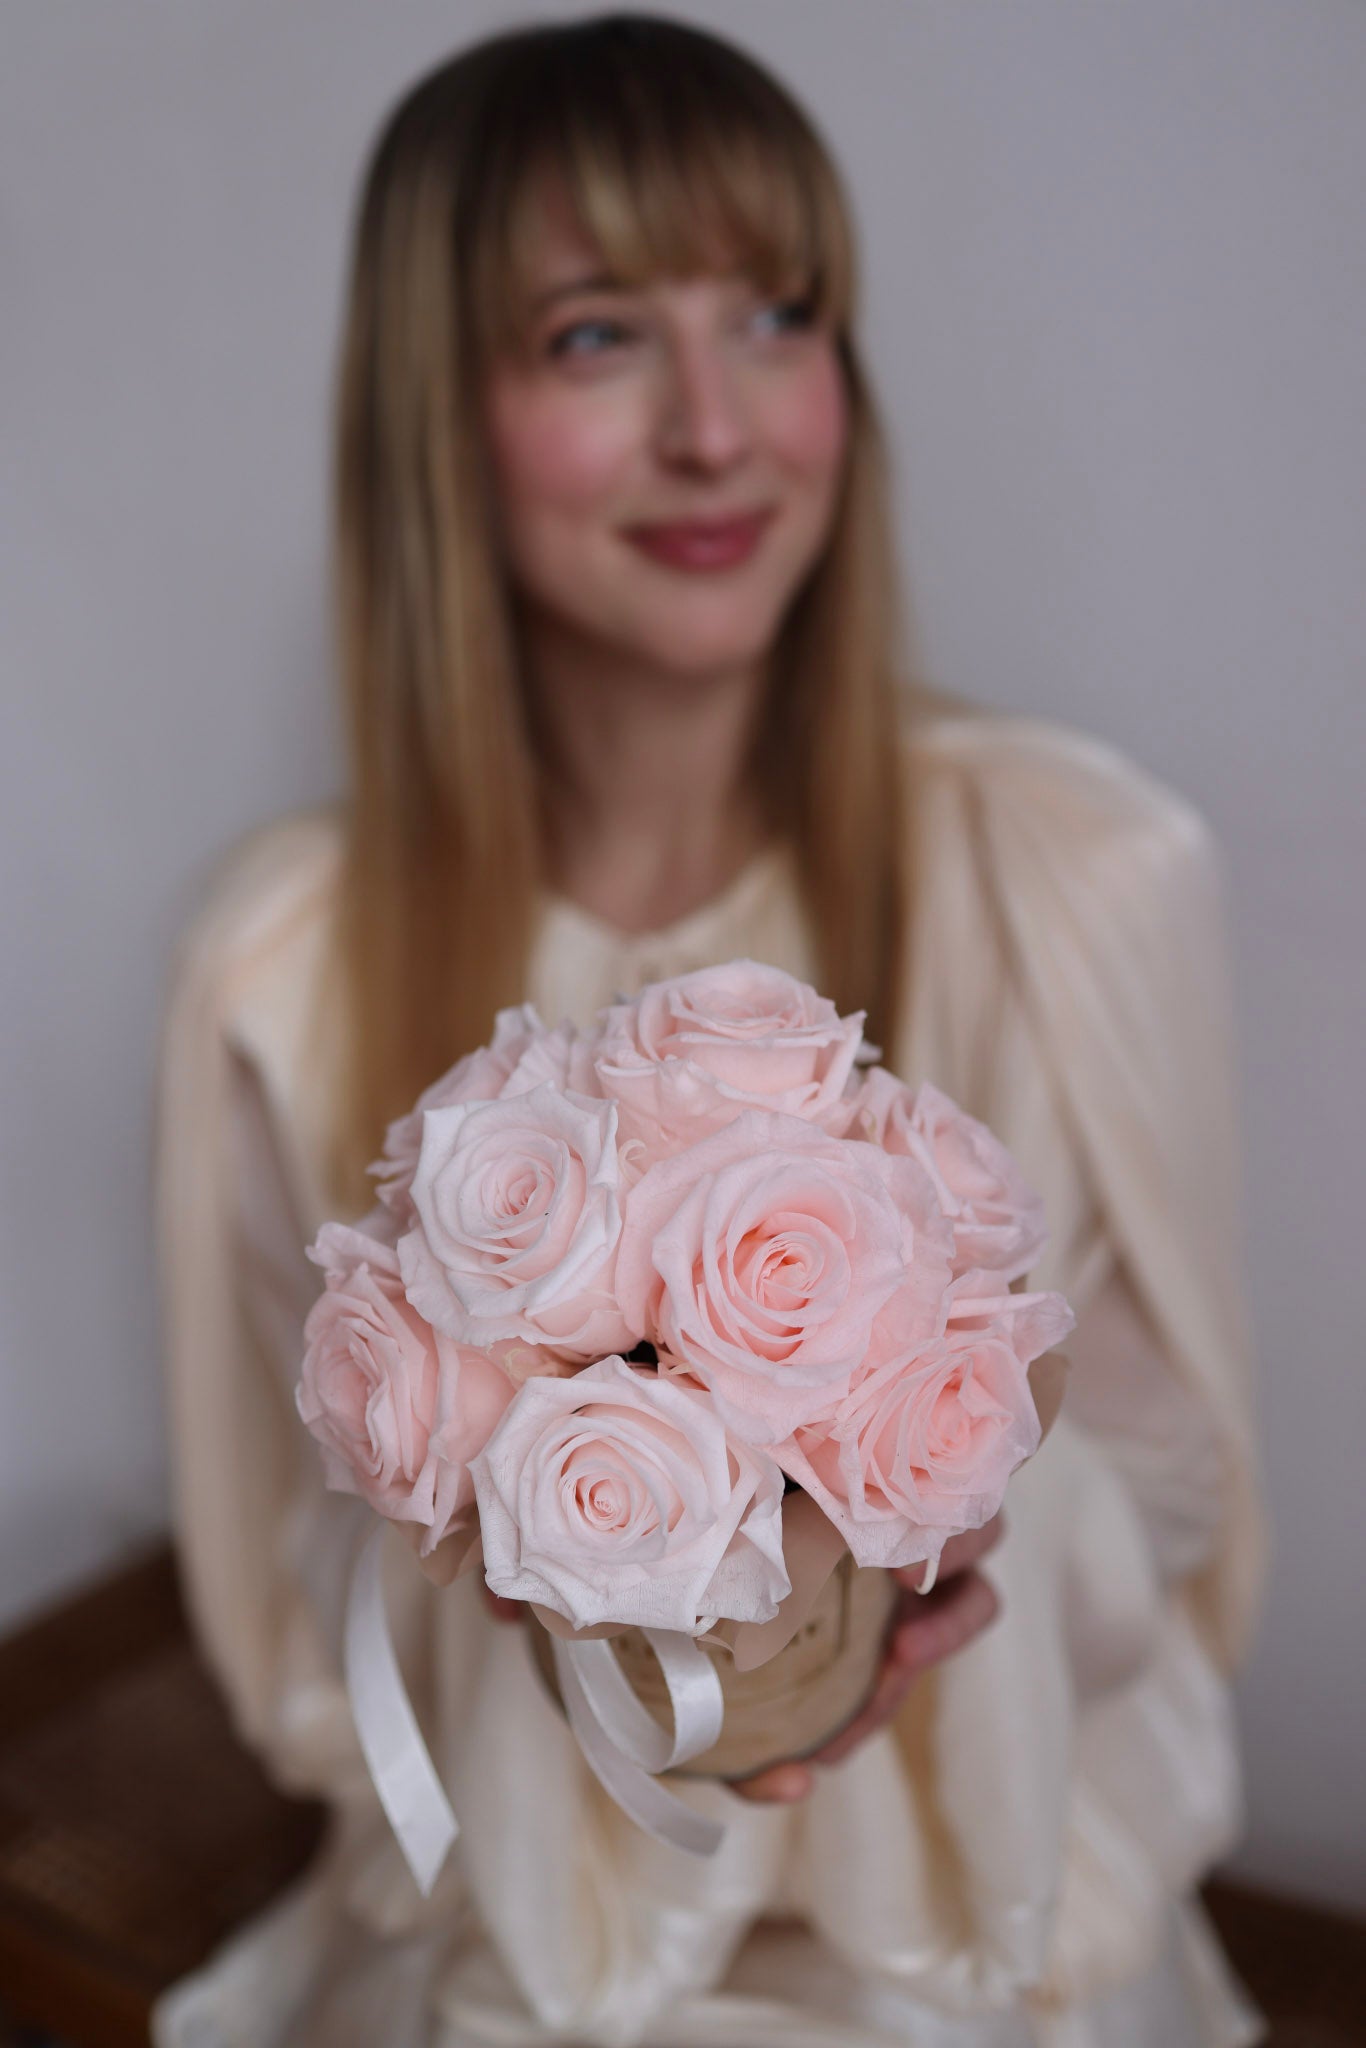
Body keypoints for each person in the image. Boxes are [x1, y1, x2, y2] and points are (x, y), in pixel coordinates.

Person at [153, 15, 1267, 2045]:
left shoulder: (1078, 873)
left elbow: (1184, 1510)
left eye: (774, 315)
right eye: (594, 336)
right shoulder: (285, 965)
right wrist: (559, 1580)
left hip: (994, 1923)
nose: (717, 427)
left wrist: (917, 1528)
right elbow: (290, 1609)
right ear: (438, 414)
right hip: (519, 1917)